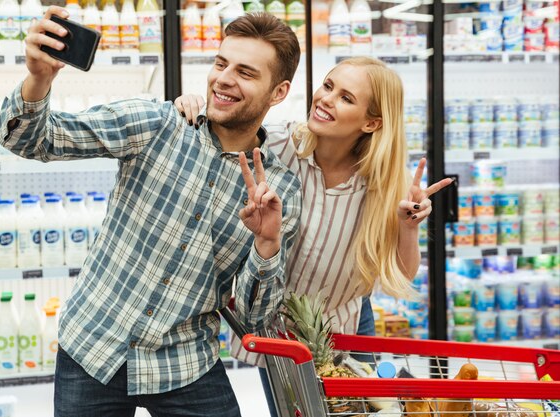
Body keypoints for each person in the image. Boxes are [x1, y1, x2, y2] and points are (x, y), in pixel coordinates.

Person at [0, 7, 303, 417]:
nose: (224, 78)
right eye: (220, 63)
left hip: (185, 362)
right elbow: (32, 141)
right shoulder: (156, 124)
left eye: (246, 72)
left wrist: (267, 244)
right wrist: (39, 77)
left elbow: (252, 318)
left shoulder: (279, 191)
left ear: (279, 92)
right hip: (93, 348)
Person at [176, 56, 453, 417]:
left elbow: (401, 274)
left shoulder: (386, 185)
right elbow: (218, 135)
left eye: (346, 98)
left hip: (347, 325)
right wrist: (192, 109)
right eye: (327, 86)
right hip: (280, 330)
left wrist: (407, 226)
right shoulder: (274, 148)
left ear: (372, 122)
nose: (325, 98)